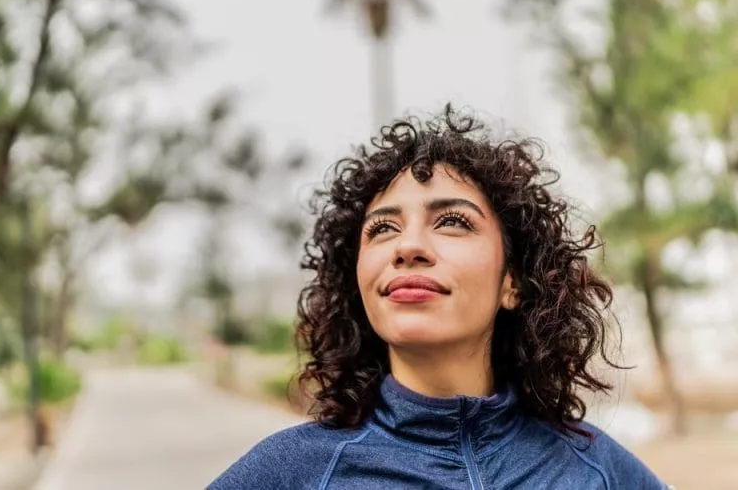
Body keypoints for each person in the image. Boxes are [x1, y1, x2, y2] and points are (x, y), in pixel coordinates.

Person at [208, 105, 669, 489]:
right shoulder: (292, 473)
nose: (407, 247)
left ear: (514, 281)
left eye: (452, 221)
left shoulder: (594, 470)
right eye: (383, 229)